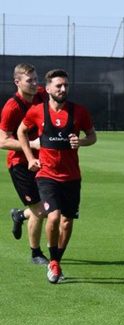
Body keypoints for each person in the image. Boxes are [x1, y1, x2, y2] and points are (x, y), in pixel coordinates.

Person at [17, 68, 97, 284]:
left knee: (67, 222)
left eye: (66, 85)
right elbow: (21, 132)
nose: (63, 89)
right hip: (47, 175)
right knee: (53, 216)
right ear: (49, 88)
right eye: (59, 85)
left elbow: (92, 136)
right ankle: (53, 261)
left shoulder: (79, 111)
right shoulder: (37, 111)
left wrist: (80, 141)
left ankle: (56, 260)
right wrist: (30, 157)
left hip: (72, 177)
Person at [0, 63, 48, 264]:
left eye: (36, 79)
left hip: (43, 160)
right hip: (20, 164)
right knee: (40, 210)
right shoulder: (12, 107)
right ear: (17, 82)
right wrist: (31, 144)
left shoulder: (42, 94)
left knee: (51, 207)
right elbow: (3, 141)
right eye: (30, 80)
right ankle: (35, 253)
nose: (35, 83)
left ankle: (20, 215)